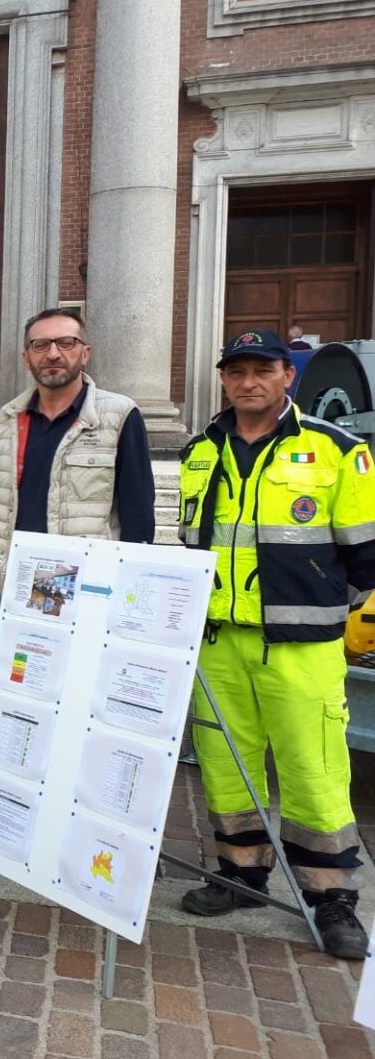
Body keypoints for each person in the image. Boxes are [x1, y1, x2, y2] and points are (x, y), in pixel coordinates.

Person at [176, 328, 375, 959]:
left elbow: (365, 560)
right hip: (218, 640)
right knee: (226, 762)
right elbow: (193, 544)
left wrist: (314, 611)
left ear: (287, 376)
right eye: (236, 372)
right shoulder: (200, 451)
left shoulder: (338, 450)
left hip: (300, 646)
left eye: (262, 370)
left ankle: (332, 896)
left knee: (313, 768)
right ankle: (243, 872)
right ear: (225, 380)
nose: (248, 382)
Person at [0, 308, 155, 636]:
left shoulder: (119, 415)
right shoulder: (6, 419)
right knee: (12, 681)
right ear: (27, 357)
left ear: (85, 354)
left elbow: (138, 513)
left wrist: (123, 589)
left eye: (66, 343)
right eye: (40, 345)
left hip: (78, 587)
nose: (53, 353)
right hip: (7, 582)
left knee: (70, 682)